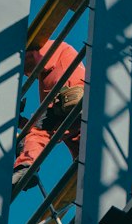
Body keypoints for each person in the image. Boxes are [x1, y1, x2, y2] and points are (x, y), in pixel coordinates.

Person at [12, 39, 87, 189]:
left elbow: (40, 130)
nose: (27, 75)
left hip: (69, 98)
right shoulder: (50, 70)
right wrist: (19, 122)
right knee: (90, 162)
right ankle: (131, 194)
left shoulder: (48, 49)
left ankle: (26, 167)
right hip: (76, 114)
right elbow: (47, 123)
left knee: (34, 134)